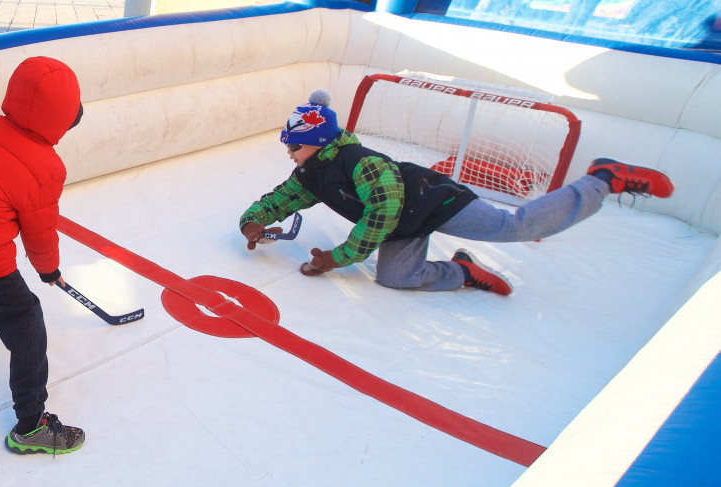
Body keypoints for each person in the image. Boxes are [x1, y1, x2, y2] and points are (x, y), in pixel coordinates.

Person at [240, 90, 674, 294]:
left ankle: (602, 179)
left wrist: (340, 257)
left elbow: (383, 210)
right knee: (395, 279)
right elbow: (281, 200)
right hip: (402, 226)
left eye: (294, 146)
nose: (289, 153)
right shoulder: (309, 175)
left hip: (433, 201)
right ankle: (464, 272)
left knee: (511, 227)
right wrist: (253, 221)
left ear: (317, 142)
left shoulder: (361, 162)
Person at [0, 55, 86, 455]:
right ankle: (31, 425)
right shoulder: (45, 166)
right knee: (26, 320)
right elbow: (39, 233)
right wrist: (48, 269)